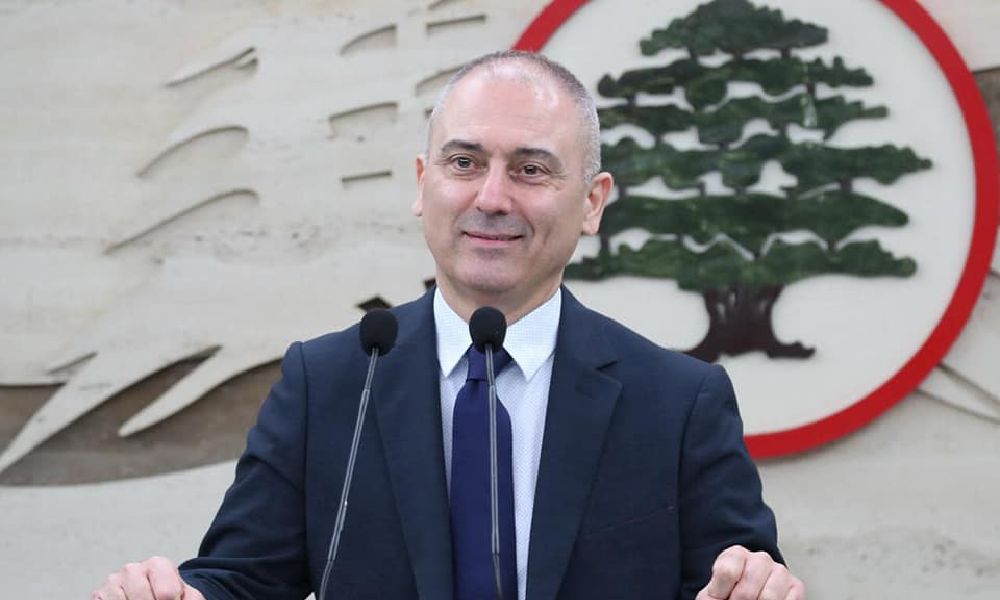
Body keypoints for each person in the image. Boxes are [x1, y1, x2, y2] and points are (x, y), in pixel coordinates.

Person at [92, 51, 805, 600]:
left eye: (530, 170)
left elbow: (736, 580)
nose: (491, 197)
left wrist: (755, 587)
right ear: (422, 182)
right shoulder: (329, 382)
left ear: (592, 203)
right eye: (464, 162)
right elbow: (241, 579)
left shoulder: (678, 402)